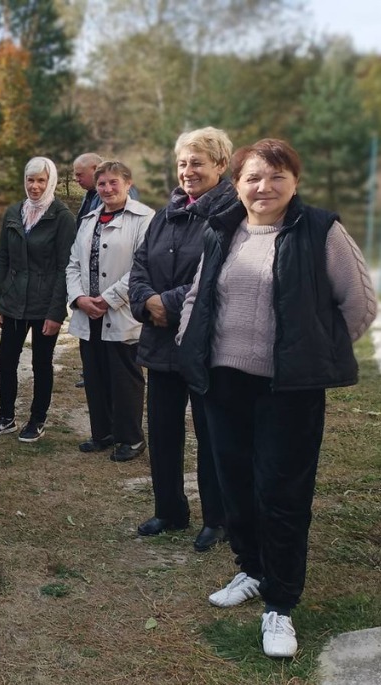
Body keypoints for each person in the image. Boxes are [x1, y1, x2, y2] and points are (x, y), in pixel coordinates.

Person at [177, 138, 376, 658]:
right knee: (234, 484)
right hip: (224, 386)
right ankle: (252, 569)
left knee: (283, 496)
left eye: (276, 176)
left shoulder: (319, 231)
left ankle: (280, 605)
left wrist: (312, 354)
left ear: (295, 181)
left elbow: (359, 301)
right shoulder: (224, 229)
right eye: (253, 178)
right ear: (238, 184)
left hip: (287, 391)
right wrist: (187, 338)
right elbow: (199, 293)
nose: (263, 187)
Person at [128, 127, 231, 552]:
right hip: (159, 345)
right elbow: (138, 264)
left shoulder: (229, 214)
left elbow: (214, 275)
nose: (188, 171)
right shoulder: (164, 214)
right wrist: (145, 299)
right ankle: (169, 511)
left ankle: (218, 518)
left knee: (211, 436)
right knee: (164, 432)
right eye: (183, 163)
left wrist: (164, 305)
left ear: (220, 166)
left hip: (204, 347)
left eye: (198, 163)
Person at [0, 157, 75, 442]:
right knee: (6, 361)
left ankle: (37, 419)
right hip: (13, 301)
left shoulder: (61, 217)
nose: (35, 186)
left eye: (41, 180)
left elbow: (65, 267)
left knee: (41, 364)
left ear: (51, 182)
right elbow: (3, 258)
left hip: (44, 303)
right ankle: (6, 415)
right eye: (30, 180)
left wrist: (56, 312)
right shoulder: (14, 212)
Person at [66, 161, 154, 462]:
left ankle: (130, 438)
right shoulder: (90, 218)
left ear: (128, 184)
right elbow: (73, 264)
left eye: (114, 182)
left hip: (120, 311)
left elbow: (143, 266)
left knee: (124, 377)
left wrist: (107, 299)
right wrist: (79, 298)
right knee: (95, 375)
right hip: (88, 312)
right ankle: (102, 433)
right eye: (102, 183)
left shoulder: (144, 219)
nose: (107, 189)